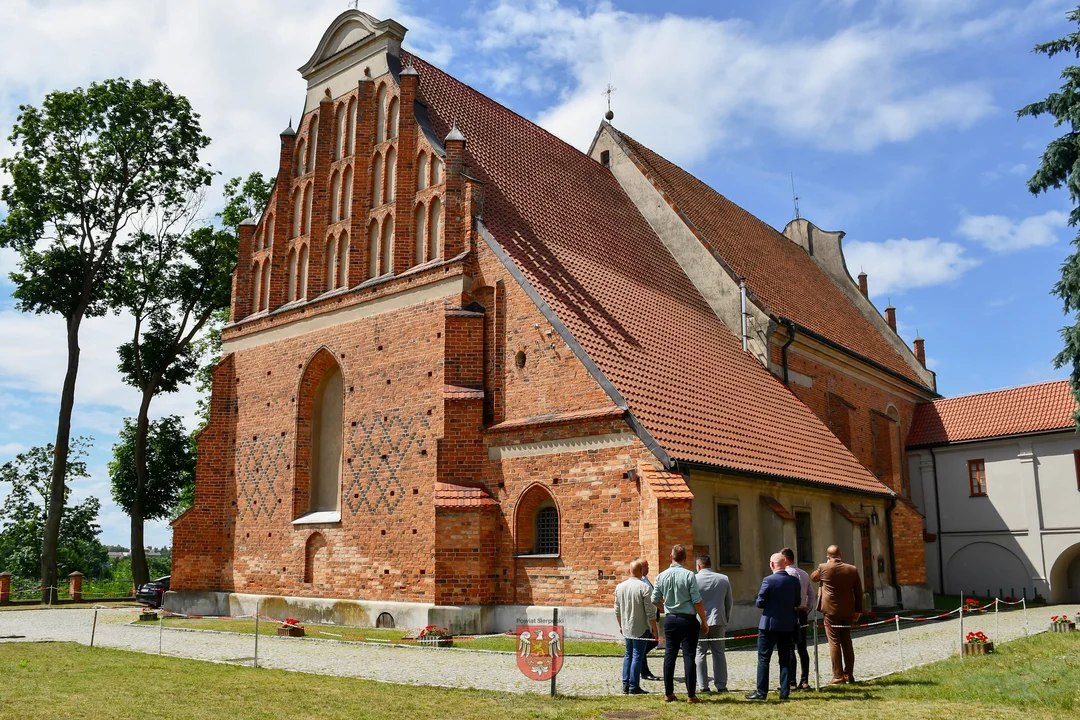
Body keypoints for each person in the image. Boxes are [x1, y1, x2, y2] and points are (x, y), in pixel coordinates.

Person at [650, 544, 710, 703]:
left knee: (670, 655)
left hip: (670, 619)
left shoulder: (661, 576)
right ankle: (691, 694)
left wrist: (666, 608)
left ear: (671, 557)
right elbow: (697, 601)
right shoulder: (689, 575)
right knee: (689, 655)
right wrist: (704, 621)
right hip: (688, 619)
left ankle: (668, 693)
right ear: (685, 558)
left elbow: (654, 599)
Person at [746, 552, 800, 701]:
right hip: (788, 624)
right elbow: (797, 601)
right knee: (785, 658)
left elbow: (760, 603)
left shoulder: (768, 580)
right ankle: (784, 692)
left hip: (769, 624)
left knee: (764, 658)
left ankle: (762, 692)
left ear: (772, 564)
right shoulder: (794, 581)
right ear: (785, 564)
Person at [810, 544, 863, 684]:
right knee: (847, 641)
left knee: (834, 642)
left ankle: (838, 676)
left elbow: (813, 578)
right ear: (840, 555)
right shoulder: (852, 569)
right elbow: (858, 591)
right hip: (848, 611)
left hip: (830, 611)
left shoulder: (823, 567)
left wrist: (826, 564)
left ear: (828, 556)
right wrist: (858, 610)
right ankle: (849, 674)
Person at [615, 560, 659, 695]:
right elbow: (650, 612)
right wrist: (654, 630)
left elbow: (617, 610)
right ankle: (634, 686)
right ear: (641, 571)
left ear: (629, 571)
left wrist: (621, 625)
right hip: (640, 627)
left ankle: (625, 683)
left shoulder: (620, 587)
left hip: (627, 627)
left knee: (628, 655)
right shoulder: (643, 587)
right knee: (637, 656)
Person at [694, 554, 732, 693]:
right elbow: (729, 602)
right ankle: (721, 685)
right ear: (710, 564)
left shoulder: (694, 579)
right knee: (719, 653)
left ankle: (703, 685)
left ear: (698, 566)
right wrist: (725, 618)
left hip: (698, 621)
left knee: (700, 653)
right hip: (718, 619)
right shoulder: (723, 579)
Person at [781, 547, 815, 691]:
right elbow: (811, 595)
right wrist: (806, 609)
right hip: (801, 613)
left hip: (790, 612)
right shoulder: (804, 574)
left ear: (786, 559)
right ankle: (805, 680)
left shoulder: (785, 574)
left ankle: (792, 682)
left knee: (790, 647)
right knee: (802, 648)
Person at [637, 558, 660, 681]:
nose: (648, 568)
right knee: (647, 643)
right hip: (645, 619)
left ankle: (639, 660)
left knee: (653, 642)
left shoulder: (646, 579)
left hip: (652, 617)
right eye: (645, 566)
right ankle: (644, 671)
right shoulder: (640, 582)